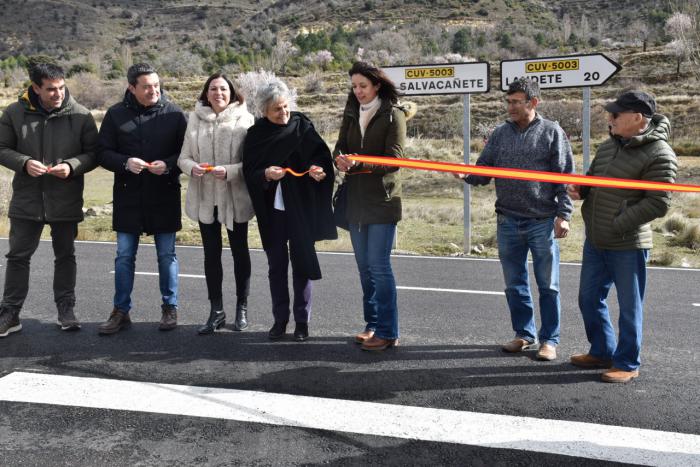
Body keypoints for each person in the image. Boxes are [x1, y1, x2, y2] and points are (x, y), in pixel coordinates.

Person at [457, 77, 573, 361]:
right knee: (514, 284)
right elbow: (484, 172)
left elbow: (565, 177)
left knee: (548, 285)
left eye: (515, 102)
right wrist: (465, 175)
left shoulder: (552, 132)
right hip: (508, 221)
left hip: (542, 221)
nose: (510, 107)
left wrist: (564, 214)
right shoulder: (500, 134)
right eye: (507, 102)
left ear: (533, 103)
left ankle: (550, 340)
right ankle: (524, 334)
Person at [568, 91, 677, 383]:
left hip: (628, 244)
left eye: (616, 114)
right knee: (589, 299)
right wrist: (582, 190)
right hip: (596, 240)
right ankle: (602, 350)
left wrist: (618, 224)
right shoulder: (608, 146)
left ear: (638, 118)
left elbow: (659, 202)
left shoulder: (660, 153)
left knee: (630, 308)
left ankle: (627, 363)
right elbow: (592, 179)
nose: (610, 118)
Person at [0, 62, 98, 337]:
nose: (58, 94)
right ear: (35, 88)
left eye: (61, 88)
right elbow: (1, 148)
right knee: (18, 257)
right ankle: (10, 313)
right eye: (51, 89)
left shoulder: (80, 115)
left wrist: (71, 165)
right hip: (26, 200)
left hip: (65, 199)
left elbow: (93, 153)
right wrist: (24, 162)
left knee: (65, 256)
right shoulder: (14, 112)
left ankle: (66, 309)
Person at [242, 79, 336, 342]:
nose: (283, 113)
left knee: (302, 264)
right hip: (272, 210)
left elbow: (321, 157)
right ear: (264, 111)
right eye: (276, 110)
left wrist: (318, 171)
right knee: (276, 266)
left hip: (301, 206)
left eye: (285, 107)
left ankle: (302, 323)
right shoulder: (256, 135)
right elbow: (249, 172)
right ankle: (279, 320)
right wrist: (265, 174)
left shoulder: (303, 127)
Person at [97, 63, 187, 334]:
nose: (153, 91)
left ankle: (170, 308)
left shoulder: (175, 114)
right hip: (128, 196)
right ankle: (120, 311)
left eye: (156, 85)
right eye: (147, 86)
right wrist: (125, 162)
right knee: (124, 256)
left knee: (166, 255)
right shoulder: (115, 115)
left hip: (164, 194)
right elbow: (102, 153)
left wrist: (169, 164)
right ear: (131, 88)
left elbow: (186, 155)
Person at [334, 61, 409, 352]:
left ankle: (389, 332)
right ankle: (372, 325)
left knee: (379, 266)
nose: (358, 91)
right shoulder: (352, 111)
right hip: (355, 201)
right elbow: (339, 146)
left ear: (377, 85)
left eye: (363, 86)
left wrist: (359, 162)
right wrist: (339, 159)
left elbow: (395, 159)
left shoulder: (394, 115)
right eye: (354, 86)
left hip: (382, 201)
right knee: (364, 269)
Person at [178, 73, 255, 334]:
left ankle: (241, 309)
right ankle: (216, 311)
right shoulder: (194, 119)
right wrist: (192, 168)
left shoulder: (246, 119)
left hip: (234, 197)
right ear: (206, 92)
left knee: (239, 253)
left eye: (223, 89)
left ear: (232, 92)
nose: (218, 93)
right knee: (211, 255)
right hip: (205, 197)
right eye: (213, 89)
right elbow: (183, 157)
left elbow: (253, 162)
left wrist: (231, 171)